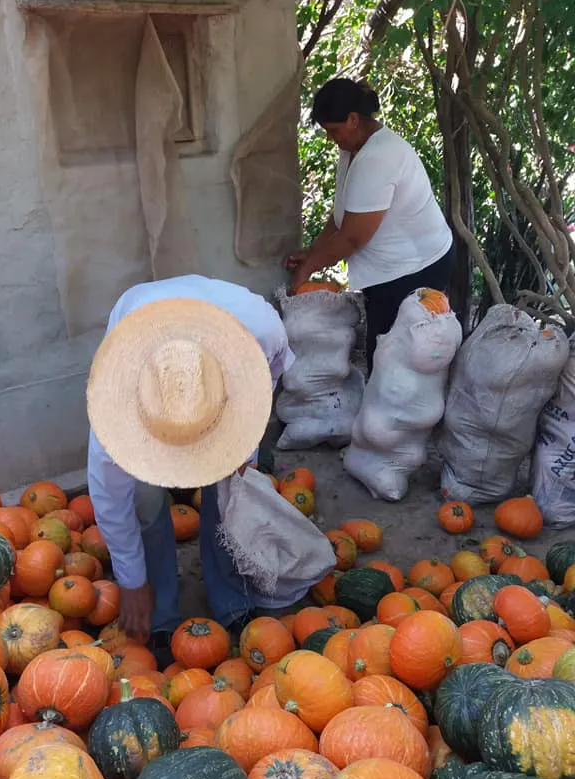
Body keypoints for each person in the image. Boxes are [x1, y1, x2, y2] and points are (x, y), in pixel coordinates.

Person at [86, 275, 296, 668]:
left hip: (236, 354)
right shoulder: (117, 407)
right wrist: (132, 583)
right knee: (144, 500)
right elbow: (112, 501)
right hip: (142, 326)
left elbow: (261, 395)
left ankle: (231, 597)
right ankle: (160, 612)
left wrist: (239, 455)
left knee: (230, 488)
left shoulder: (261, 334)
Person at [286, 78, 454, 372]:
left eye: (334, 131)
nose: (331, 139)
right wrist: (315, 249)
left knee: (391, 355)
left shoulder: (378, 158)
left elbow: (353, 237)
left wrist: (308, 267)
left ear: (353, 119)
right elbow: (344, 215)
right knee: (386, 350)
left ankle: (400, 414)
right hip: (395, 268)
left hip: (415, 268)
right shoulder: (354, 149)